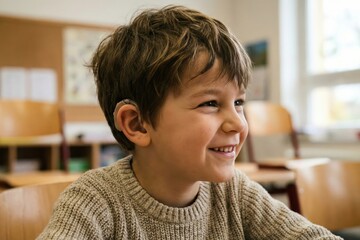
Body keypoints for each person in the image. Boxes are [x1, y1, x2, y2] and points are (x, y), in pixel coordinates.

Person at [37, 5, 342, 239]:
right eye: (210, 103)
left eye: (238, 103)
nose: (237, 123)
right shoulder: (95, 200)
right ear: (137, 124)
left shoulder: (234, 193)